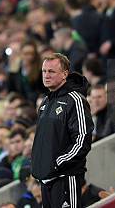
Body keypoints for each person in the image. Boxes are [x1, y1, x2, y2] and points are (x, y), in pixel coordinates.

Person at [31, 53, 94, 208]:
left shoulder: (75, 100)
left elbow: (82, 139)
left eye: (51, 71)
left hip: (66, 176)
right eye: (44, 71)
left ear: (65, 74)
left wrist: (58, 162)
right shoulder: (46, 102)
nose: (46, 75)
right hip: (46, 178)